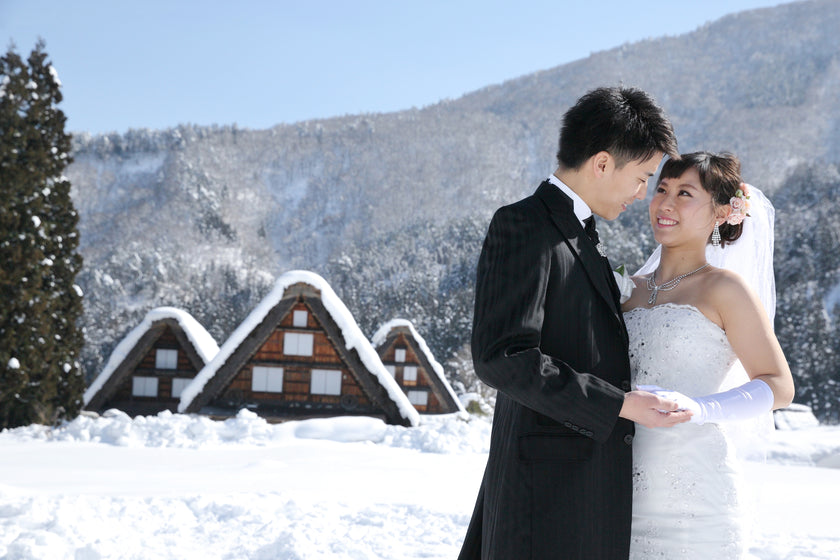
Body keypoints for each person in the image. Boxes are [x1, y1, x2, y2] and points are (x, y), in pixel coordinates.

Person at [458, 86, 690, 560]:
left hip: (582, 498)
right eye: (642, 177)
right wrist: (619, 404)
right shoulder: (524, 225)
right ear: (602, 164)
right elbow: (502, 358)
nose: (642, 194)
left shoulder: (582, 235)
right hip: (542, 501)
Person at [622, 152, 795, 558]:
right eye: (661, 189)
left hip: (697, 499)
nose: (665, 203)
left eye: (685, 193)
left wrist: (699, 409)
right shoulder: (626, 291)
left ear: (720, 212)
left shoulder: (724, 289)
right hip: (620, 495)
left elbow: (779, 386)